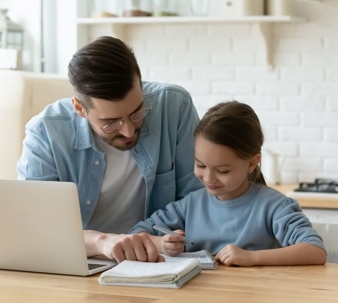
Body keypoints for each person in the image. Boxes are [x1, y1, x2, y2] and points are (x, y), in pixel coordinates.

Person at [17, 36, 203, 263]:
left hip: (157, 262)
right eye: (111, 122)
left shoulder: (174, 107)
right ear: (79, 108)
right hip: (81, 264)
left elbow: (199, 201)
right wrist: (103, 242)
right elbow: (38, 227)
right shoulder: (45, 132)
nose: (128, 131)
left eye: (137, 112)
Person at [129, 101, 327, 266]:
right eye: (201, 165)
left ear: (251, 163)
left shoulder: (274, 206)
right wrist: (162, 243)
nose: (208, 178)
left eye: (223, 171)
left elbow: (315, 251)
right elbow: (136, 233)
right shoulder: (190, 204)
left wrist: (252, 257)